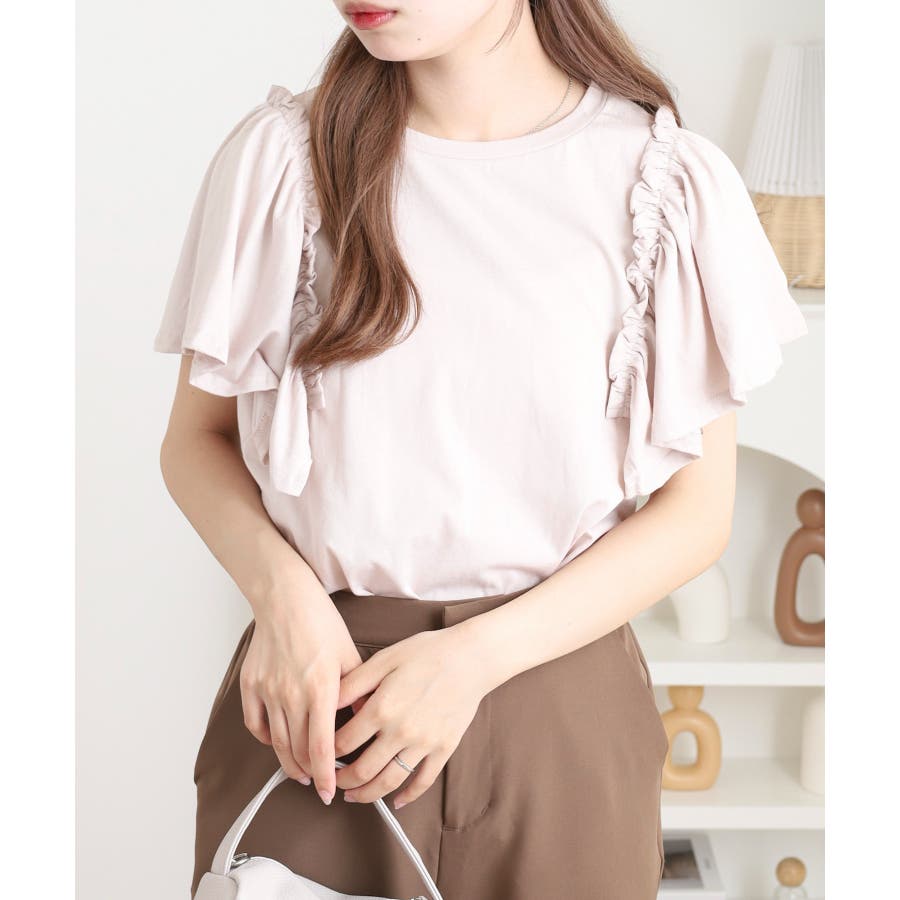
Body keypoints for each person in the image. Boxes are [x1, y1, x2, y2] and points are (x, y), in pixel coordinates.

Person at [153, 1, 808, 897]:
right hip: (322, 704)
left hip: (556, 710)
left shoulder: (664, 181)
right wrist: (284, 600)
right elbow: (197, 440)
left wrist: (471, 662)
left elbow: (697, 513)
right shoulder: (283, 163)